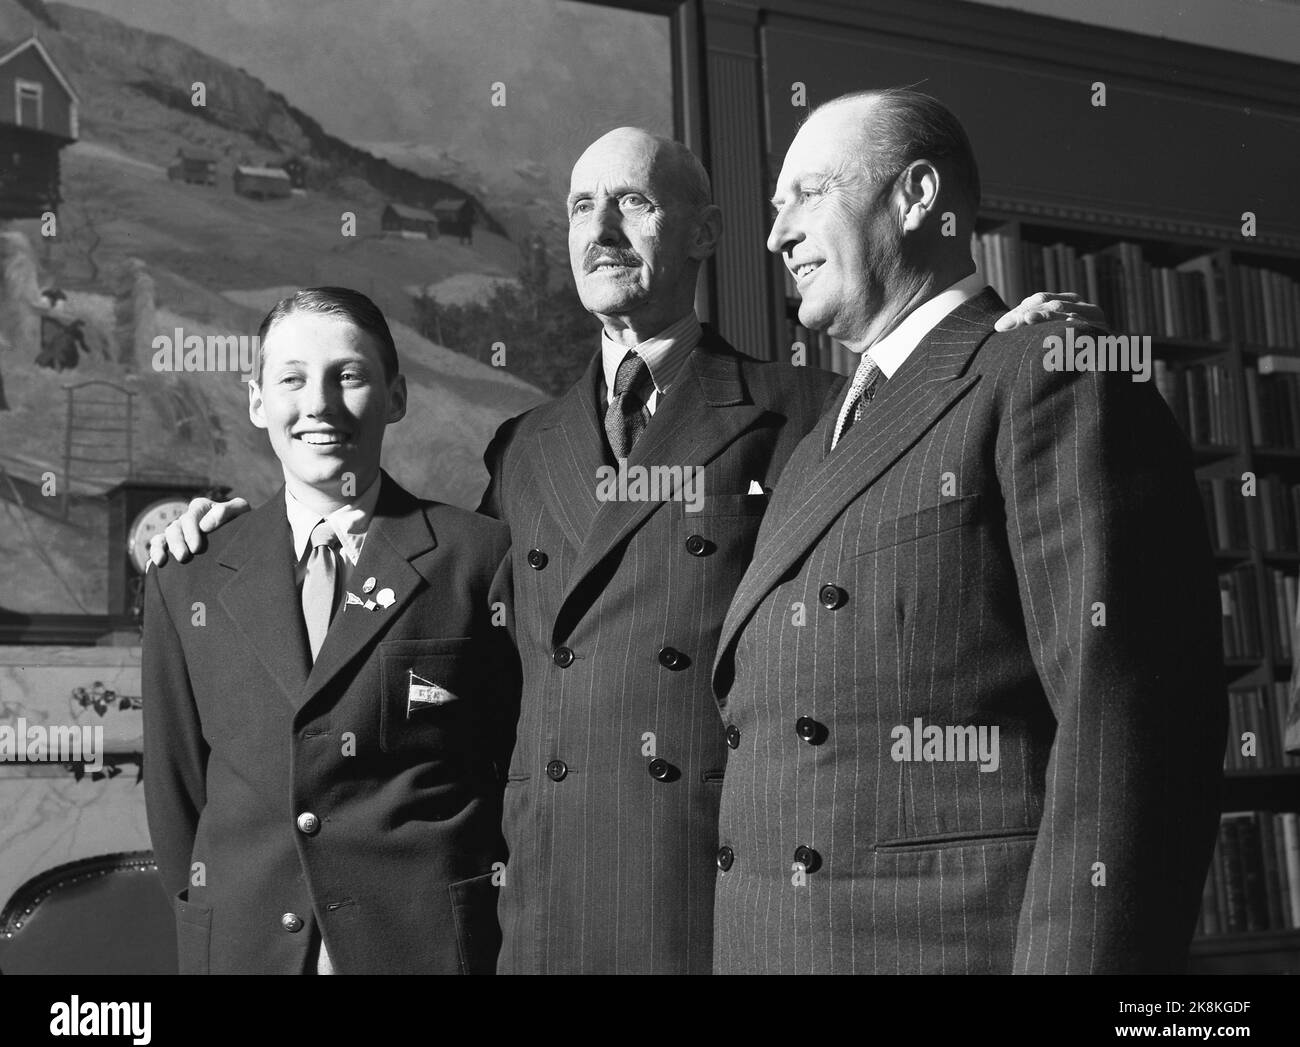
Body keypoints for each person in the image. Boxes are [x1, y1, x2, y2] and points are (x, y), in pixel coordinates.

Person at [150, 130, 1099, 974]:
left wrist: (998, 334)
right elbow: (437, 613)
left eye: (634, 202)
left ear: (704, 233)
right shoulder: (522, 448)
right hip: (545, 897)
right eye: (579, 207)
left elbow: (933, 408)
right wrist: (217, 530)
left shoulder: (803, 408)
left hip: (716, 880)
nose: (601, 228)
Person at [709, 89, 1227, 974]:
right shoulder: (809, 449)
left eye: (809, 194)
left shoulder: (1047, 370)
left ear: (916, 197)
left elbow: (1131, 725)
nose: (776, 236)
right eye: (773, 207)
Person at [142, 287, 517, 974]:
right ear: (257, 401)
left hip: (427, 946)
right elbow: (175, 793)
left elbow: (508, 771)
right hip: (243, 947)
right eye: (291, 378)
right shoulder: (185, 576)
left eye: (347, 374)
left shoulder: (480, 558)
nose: (318, 402)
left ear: (396, 396)